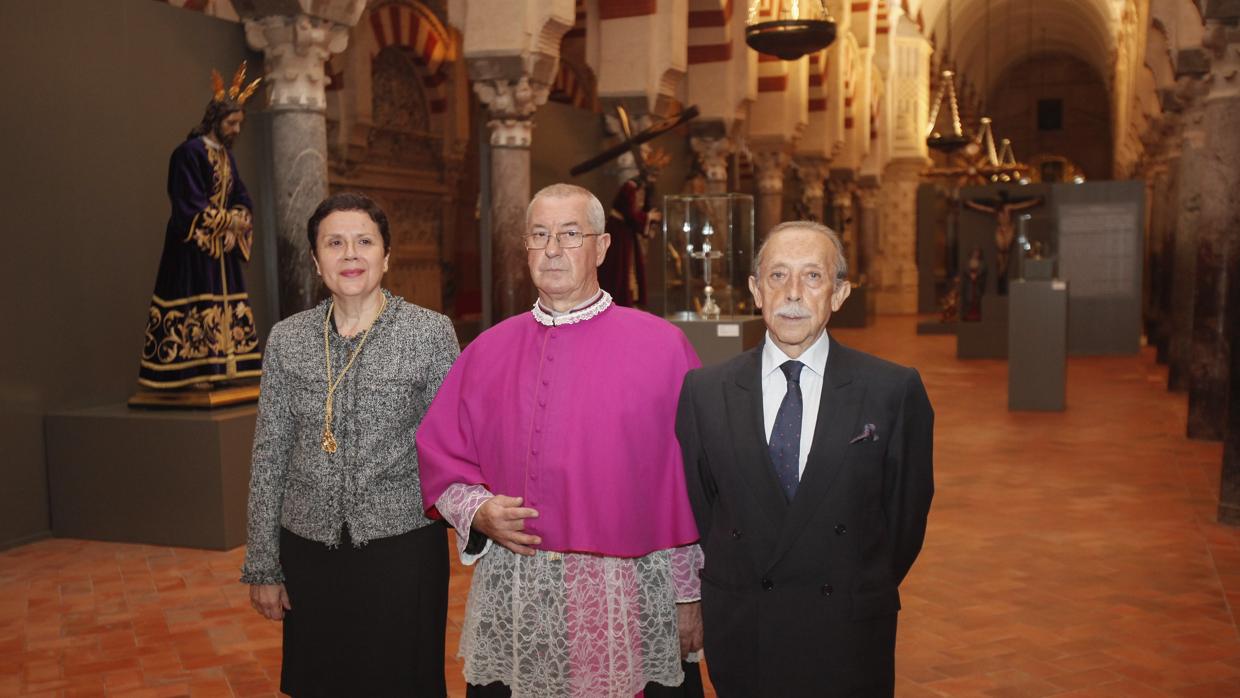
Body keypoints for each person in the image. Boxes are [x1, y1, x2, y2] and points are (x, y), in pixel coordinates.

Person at [416, 183, 706, 698]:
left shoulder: (663, 349)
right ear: (524, 247)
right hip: (521, 590)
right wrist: (478, 512)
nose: (552, 249)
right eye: (539, 235)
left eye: (570, 234)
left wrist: (688, 597)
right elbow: (443, 457)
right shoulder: (486, 351)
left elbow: (689, 484)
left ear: (602, 247)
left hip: (630, 596)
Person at [676, 221, 935, 697]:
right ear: (756, 290)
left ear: (839, 293)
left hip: (848, 631)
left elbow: (903, 522)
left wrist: (851, 574)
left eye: (812, 276)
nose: (793, 292)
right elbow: (706, 507)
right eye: (777, 275)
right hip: (747, 627)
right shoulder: (705, 392)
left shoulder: (892, 390)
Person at [241, 192, 459, 697]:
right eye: (334, 243)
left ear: (387, 255)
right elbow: (269, 454)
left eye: (365, 241)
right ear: (317, 260)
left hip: (402, 551)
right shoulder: (287, 339)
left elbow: (450, 447)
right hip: (309, 554)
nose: (351, 255)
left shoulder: (429, 333)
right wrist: (262, 563)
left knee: (403, 682)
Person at [139, 63, 264, 389]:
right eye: (232, 123)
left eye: (240, 123)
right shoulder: (188, 153)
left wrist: (237, 222)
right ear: (216, 120)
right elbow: (188, 203)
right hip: (193, 245)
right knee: (196, 303)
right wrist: (225, 225)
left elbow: (242, 198)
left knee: (224, 305)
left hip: (221, 247)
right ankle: (193, 372)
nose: (237, 129)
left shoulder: (226, 157)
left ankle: (226, 368)